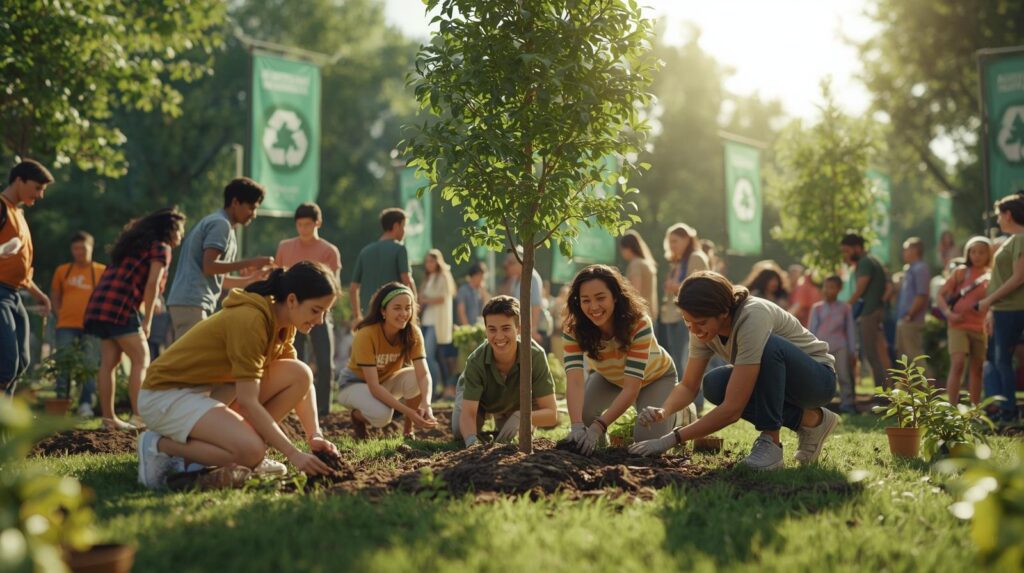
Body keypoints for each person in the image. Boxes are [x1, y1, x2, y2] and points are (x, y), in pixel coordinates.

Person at [136, 262, 340, 489]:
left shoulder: (284, 323)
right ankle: (160, 446)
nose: (320, 320)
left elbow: (300, 381)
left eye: (325, 312)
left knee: (299, 373)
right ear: (292, 300)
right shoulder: (251, 319)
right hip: (165, 396)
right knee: (252, 451)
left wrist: (315, 435)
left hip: (205, 395)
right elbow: (248, 401)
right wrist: (293, 454)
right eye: (316, 310)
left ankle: (212, 455)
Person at [628, 271, 840, 470]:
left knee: (769, 347)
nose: (694, 329)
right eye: (688, 322)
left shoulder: (753, 315)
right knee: (714, 384)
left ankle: (771, 443)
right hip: (781, 383)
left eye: (700, 323)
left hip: (817, 382)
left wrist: (669, 439)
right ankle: (812, 421)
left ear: (723, 312)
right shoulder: (701, 328)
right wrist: (664, 411)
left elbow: (733, 409)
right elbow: (688, 385)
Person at [85, 208, 186, 430]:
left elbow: (135, 281)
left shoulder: (132, 246)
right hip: (120, 308)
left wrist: (150, 302)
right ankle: (140, 417)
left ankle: (108, 419)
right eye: (180, 229)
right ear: (168, 230)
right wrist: (148, 320)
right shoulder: (161, 248)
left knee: (108, 363)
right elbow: (151, 284)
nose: (182, 235)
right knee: (142, 358)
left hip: (101, 304)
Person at [562, 265, 679, 455]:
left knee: (645, 445)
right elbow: (575, 381)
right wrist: (577, 426)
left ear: (615, 296)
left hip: (655, 377)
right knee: (584, 414)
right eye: (586, 300)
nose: (593, 307)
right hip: (611, 377)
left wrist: (599, 426)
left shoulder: (639, 323)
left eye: (600, 298)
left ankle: (680, 411)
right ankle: (597, 450)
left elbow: (631, 388)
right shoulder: (573, 330)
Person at [166, 177, 273, 340]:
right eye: (251, 207)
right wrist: (251, 262)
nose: (254, 214)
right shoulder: (220, 224)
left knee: (194, 361)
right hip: (192, 302)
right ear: (235, 202)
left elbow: (218, 279)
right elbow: (209, 266)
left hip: (193, 303)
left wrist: (252, 279)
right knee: (192, 362)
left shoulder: (223, 225)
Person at [453, 295, 558, 446]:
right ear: (486, 330)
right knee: (459, 431)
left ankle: (506, 416)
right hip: (481, 400)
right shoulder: (476, 361)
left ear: (519, 328)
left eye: (506, 328)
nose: (499, 336)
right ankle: (494, 415)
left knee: (510, 437)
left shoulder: (534, 355)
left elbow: (551, 414)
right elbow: (468, 414)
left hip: (516, 403)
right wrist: (471, 442)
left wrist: (522, 416)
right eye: (492, 329)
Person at [337, 282, 437, 438]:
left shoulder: (412, 333)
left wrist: (426, 404)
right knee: (383, 416)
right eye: (397, 308)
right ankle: (357, 417)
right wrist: (408, 411)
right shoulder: (366, 334)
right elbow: (374, 386)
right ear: (383, 311)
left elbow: (423, 374)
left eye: (408, 307)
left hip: (383, 382)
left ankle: (408, 431)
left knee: (416, 377)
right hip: (353, 385)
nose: (404, 313)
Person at [275, 202, 341, 419]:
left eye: (308, 225)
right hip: (291, 313)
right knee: (294, 360)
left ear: (317, 223)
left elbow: (334, 286)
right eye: (300, 225)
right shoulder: (285, 247)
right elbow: (278, 279)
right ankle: (292, 406)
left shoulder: (329, 251)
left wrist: (321, 310)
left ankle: (323, 409)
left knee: (324, 360)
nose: (303, 229)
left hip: (320, 313)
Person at [0, 160, 53, 395]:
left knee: (21, 363)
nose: (40, 195)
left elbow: (20, 269)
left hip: (13, 294)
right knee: (6, 365)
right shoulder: (1, 207)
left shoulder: (18, 214)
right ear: (19, 180)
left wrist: (40, 295)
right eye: (38, 187)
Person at [977, 192, 1024, 423]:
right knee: (997, 361)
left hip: (1012, 309)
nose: (997, 221)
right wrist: (992, 309)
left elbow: (1018, 278)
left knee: (1002, 361)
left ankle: (1008, 413)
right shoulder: (1013, 240)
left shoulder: (1021, 238)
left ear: (1008, 214)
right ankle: (1001, 410)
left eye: (998, 216)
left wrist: (988, 301)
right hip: (1002, 309)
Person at [50, 231, 106, 416]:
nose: (79, 252)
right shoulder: (62, 270)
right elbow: (55, 296)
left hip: (92, 326)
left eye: (83, 247)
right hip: (65, 325)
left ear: (91, 247)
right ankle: (60, 403)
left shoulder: (101, 271)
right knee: (63, 364)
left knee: (89, 365)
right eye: (75, 248)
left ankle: (86, 405)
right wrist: (59, 315)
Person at [936, 237, 991, 405]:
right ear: (968, 253)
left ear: (988, 254)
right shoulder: (960, 272)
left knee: (977, 368)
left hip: (979, 328)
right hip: (957, 325)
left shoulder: (991, 276)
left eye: (981, 252)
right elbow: (940, 295)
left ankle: (975, 410)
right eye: (973, 251)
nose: (977, 255)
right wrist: (948, 313)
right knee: (958, 363)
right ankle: (952, 407)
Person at [659, 223, 709, 409]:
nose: (672, 245)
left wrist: (676, 287)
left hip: (689, 316)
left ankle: (695, 403)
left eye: (675, 241)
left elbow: (699, 286)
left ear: (687, 239)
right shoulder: (678, 261)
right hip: (671, 316)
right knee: (676, 360)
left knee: (687, 361)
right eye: (669, 241)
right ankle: (683, 403)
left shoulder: (696, 257)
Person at [840, 233, 890, 390]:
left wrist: (845, 306)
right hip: (876, 310)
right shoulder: (873, 260)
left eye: (847, 251)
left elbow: (860, 289)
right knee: (878, 354)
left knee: (871, 354)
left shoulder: (865, 263)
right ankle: (886, 390)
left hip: (869, 313)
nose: (845, 255)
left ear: (857, 248)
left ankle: (881, 394)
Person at [349, 208, 416, 322]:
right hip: (394, 316)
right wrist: (413, 307)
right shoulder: (400, 249)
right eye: (404, 226)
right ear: (396, 226)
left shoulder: (365, 251)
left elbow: (353, 289)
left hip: (369, 316)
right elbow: (407, 280)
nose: (405, 231)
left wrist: (357, 316)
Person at [809, 276, 858, 413]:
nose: (828, 290)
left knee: (844, 376)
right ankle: (819, 405)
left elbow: (850, 330)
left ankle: (847, 404)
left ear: (839, 289)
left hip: (840, 347)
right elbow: (811, 330)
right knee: (820, 377)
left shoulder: (845, 308)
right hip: (821, 348)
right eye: (826, 286)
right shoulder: (817, 308)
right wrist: (809, 349)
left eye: (832, 287)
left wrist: (853, 350)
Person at [420, 248, 456, 398]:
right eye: (427, 261)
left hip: (437, 322)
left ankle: (433, 389)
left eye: (432, 260)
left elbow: (442, 298)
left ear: (437, 261)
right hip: (427, 320)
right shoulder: (428, 278)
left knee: (428, 356)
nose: (429, 264)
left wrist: (425, 300)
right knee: (434, 355)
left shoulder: (443, 276)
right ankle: (441, 387)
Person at [895, 237, 931, 360]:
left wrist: (910, 315)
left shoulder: (921, 268)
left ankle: (926, 380)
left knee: (916, 357)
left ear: (915, 250)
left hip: (911, 320)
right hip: (904, 320)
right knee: (903, 359)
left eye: (906, 249)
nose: (903, 252)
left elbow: (922, 295)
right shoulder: (909, 269)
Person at [502, 249, 544, 342]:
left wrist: (533, 330)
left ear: (520, 262)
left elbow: (536, 305)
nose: (508, 267)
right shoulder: (515, 279)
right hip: (522, 328)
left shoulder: (532, 277)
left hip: (533, 330)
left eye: (510, 264)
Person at [619, 230, 659, 323]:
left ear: (628, 248)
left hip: (640, 315)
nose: (622, 253)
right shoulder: (646, 263)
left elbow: (635, 291)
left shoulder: (635, 264)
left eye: (622, 249)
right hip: (651, 313)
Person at [455, 262, 488, 326]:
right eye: (481, 276)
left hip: (479, 327)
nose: (482, 279)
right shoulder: (463, 290)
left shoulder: (482, 291)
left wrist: (484, 293)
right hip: (467, 328)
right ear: (474, 276)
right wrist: (467, 327)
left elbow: (486, 309)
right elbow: (461, 311)